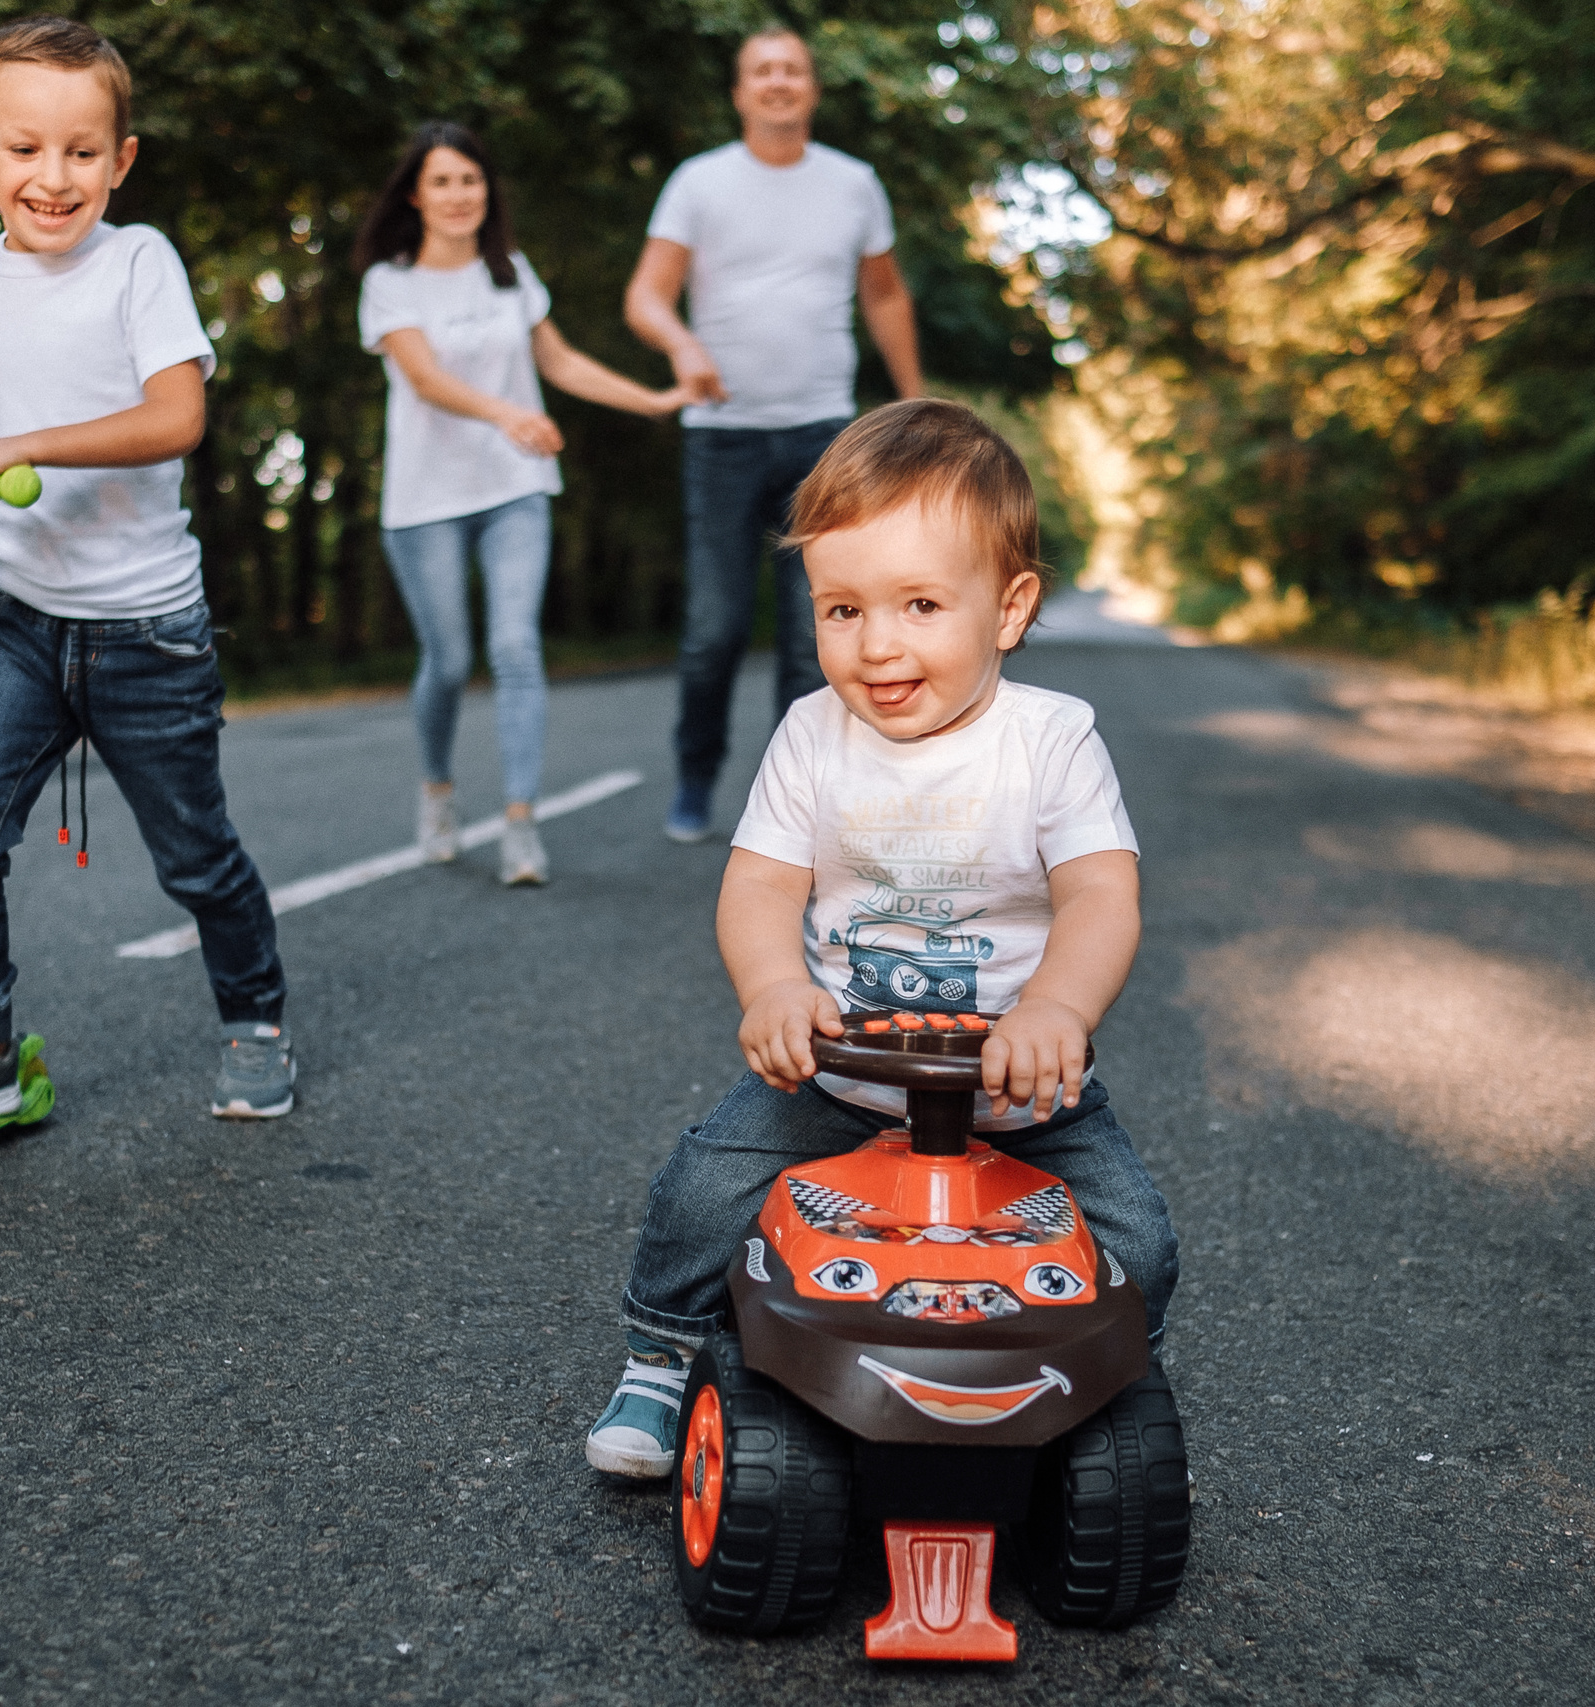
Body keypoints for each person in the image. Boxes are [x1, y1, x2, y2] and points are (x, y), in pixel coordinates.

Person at [583, 399, 1177, 1477]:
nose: (877, 645)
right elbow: (759, 885)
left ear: (1008, 608)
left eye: (917, 605)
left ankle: (1090, 1393)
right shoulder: (813, 735)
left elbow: (1100, 896)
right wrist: (772, 988)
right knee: (706, 1185)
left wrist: (1056, 1011)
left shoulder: (1051, 742)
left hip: (1019, 1085)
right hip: (839, 1072)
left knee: (1134, 1237)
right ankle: (661, 1358)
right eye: (842, 609)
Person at [0, 15, 297, 1122]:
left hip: (149, 634)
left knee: (196, 859)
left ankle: (255, 1017)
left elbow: (176, 415)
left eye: (82, 151)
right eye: (25, 148)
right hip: (20, 623)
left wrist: (16, 446)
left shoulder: (139, 262)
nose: (52, 175)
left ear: (120, 161)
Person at [354, 123, 695, 886]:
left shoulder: (510, 272)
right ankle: (438, 790)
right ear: (416, 194)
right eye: (441, 181)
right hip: (426, 498)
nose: (457, 195)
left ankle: (519, 824)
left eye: (470, 180)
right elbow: (427, 378)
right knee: (446, 660)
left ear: (487, 191)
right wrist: (508, 415)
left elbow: (559, 359)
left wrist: (648, 401)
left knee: (515, 647)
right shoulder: (391, 281)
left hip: (514, 489)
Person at [624, 26, 926, 844]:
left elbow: (886, 297)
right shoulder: (699, 182)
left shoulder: (855, 184)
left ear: (813, 88)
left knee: (813, 638)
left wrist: (916, 407)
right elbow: (647, 295)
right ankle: (695, 777)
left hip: (825, 438)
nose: (778, 81)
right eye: (763, 70)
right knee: (713, 630)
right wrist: (682, 343)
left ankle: (793, 805)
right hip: (721, 436)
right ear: (740, 92)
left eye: (792, 69)